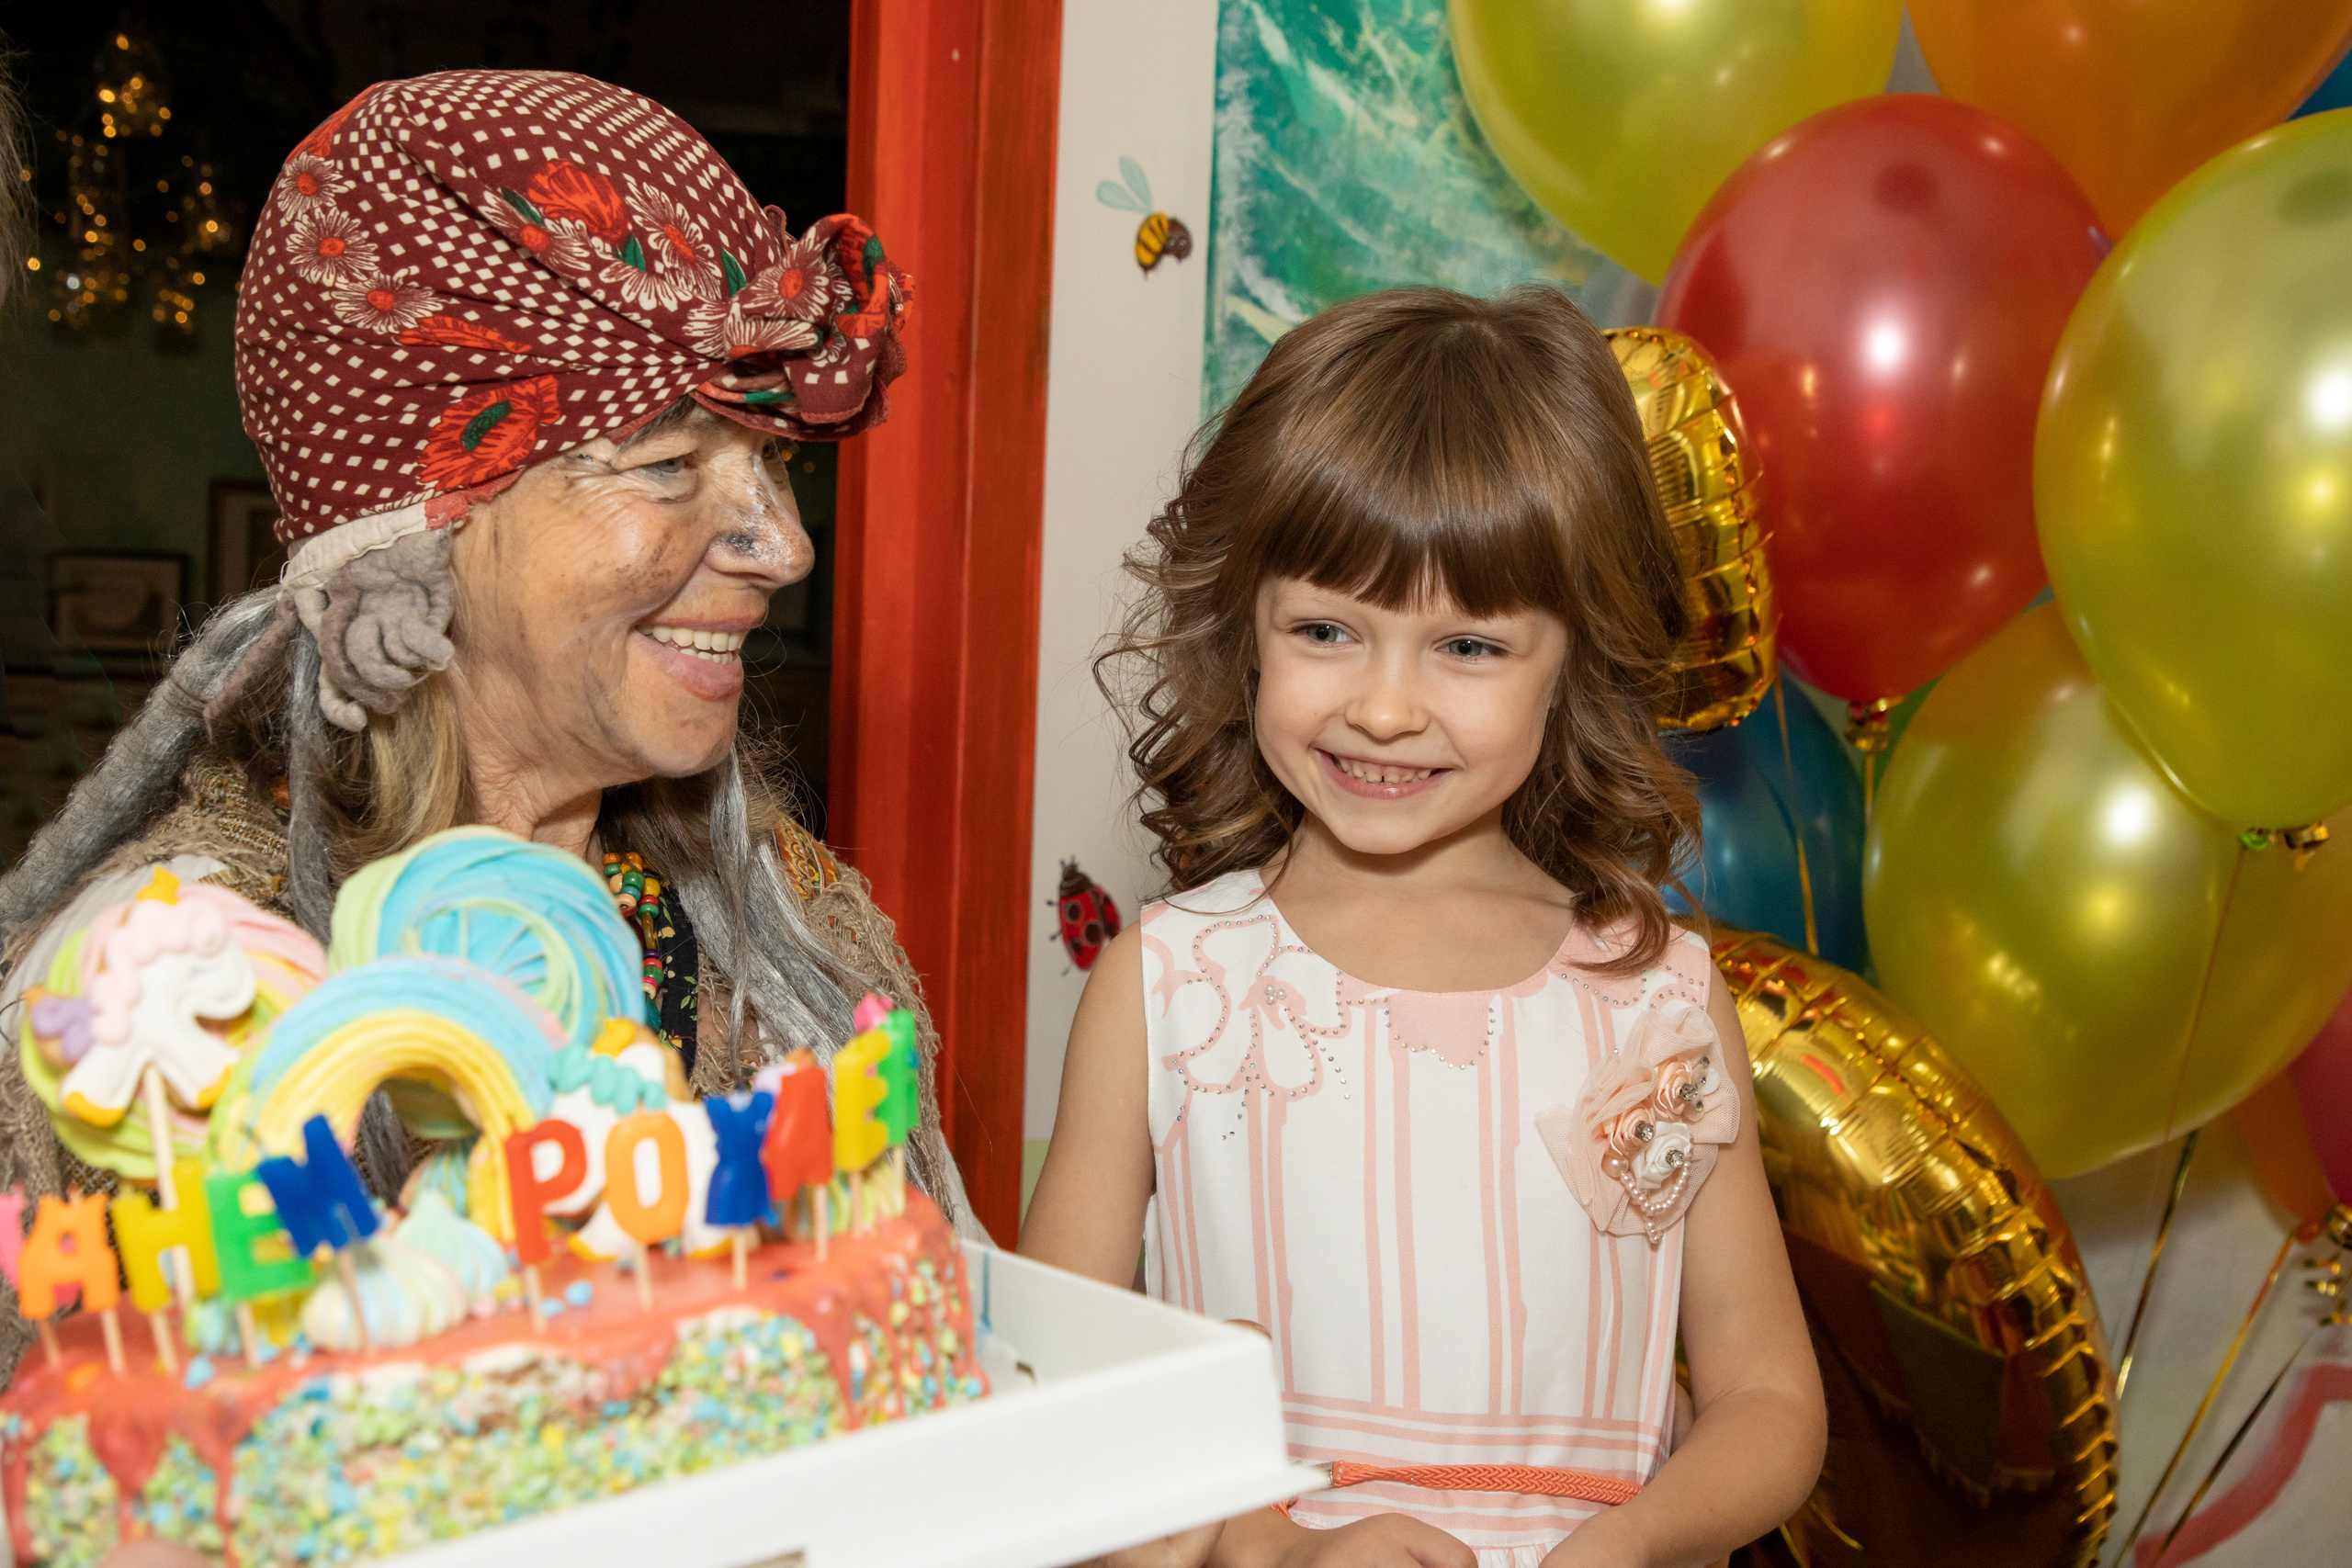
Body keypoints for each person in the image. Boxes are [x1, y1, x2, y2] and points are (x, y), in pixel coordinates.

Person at [0, 68, 979, 1390]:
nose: (787, 547)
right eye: (670, 464)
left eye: (774, 462)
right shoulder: (159, 1006)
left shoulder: (804, 943)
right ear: (411, 539)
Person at [1022, 288, 1825, 1568]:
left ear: (1575, 658)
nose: (1385, 708)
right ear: (1248, 630)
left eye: (1466, 645)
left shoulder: (1657, 995)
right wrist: (1272, 1546)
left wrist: (1628, 1545)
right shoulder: (1168, 987)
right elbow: (1054, 1392)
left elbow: (1770, 1403)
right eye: (1329, 630)